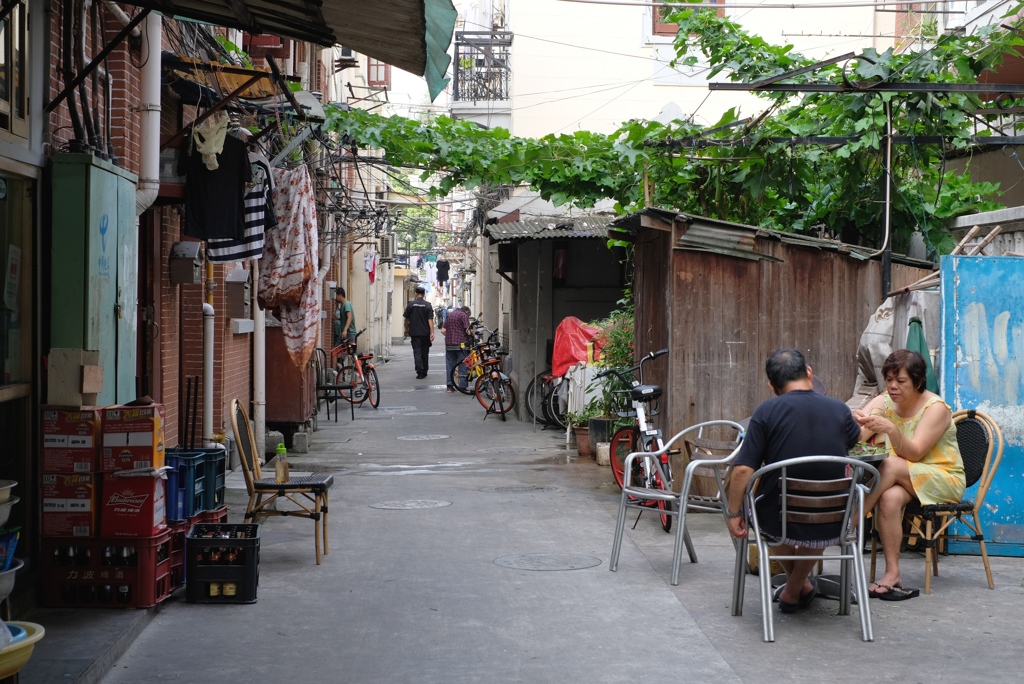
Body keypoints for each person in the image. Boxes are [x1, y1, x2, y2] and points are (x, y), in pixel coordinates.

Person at [726, 348, 861, 613]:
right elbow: (855, 439)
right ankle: (800, 586)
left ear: (772, 386)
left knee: (764, 513)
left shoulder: (766, 412)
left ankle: (793, 588)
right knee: (819, 516)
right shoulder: (839, 409)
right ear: (809, 373)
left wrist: (733, 513)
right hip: (834, 517)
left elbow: (742, 470)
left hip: (779, 516)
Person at [853, 349, 965, 601]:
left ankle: (849, 523)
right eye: (889, 379)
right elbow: (857, 434)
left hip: (942, 477)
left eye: (901, 380)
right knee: (889, 497)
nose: (893, 386)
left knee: (890, 465)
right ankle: (892, 574)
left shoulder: (935, 408)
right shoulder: (885, 400)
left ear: (917, 381)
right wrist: (855, 421)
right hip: (903, 477)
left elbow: (915, 453)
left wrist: (891, 430)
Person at [403, 286, 434, 379]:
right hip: (425, 333)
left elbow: (406, 319)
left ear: (416, 294)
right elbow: (430, 320)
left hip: (415, 333)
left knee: (417, 352)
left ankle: (420, 371)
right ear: (424, 294)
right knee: (425, 352)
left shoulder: (411, 305)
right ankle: (425, 370)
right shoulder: (428, 305)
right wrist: (432, 332)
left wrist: (406, 329)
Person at [441, 305, 471, 393]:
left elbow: (443, 330)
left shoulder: (450, 315)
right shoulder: (463, 315)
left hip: (449, 344)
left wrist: (450, 336)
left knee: (450, 365)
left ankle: (450, 386)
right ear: (467, 311)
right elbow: (468, 330)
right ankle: (462, 386)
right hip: (461, 345)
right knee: (463, 364)